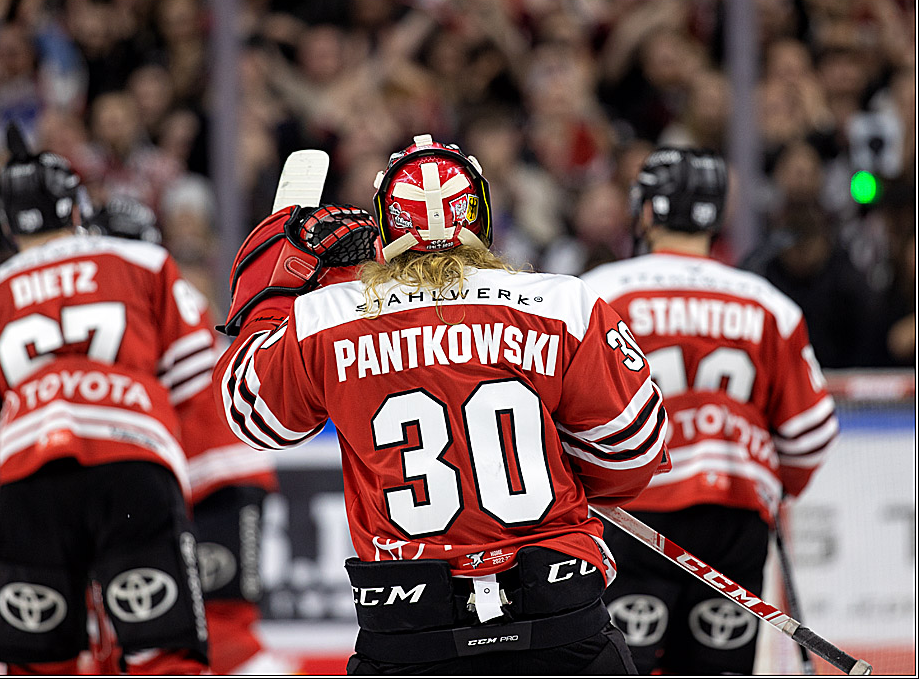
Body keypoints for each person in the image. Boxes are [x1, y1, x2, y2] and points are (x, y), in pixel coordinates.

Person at [212, 134, 672, 675]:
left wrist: (275, 292)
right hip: (558, 610)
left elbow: (254, 417)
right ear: (480, 216)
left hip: (410, 627)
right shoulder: (562, 302)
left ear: (384, 225)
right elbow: (634, 454)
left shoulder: (327, 317)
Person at [0, 125, 210, 675]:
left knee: (41, 662)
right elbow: (191, 369)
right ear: (75, 205)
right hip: (133, 467)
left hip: (30, 479)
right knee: (164, 651)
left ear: (4, 221)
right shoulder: (141, 262)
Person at [581, 147, 839, 675]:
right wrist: (773, 491)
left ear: (648, 210)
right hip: (735, 520)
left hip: (631, 518)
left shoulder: (597, 293)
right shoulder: (769, 303)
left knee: (623, 664)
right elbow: (810, 434)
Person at [84, 195, 282, 674]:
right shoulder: (160, 289)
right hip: (208, 476)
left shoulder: (136, 295)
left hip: (207, 479)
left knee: (213, 628)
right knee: (175, 624)